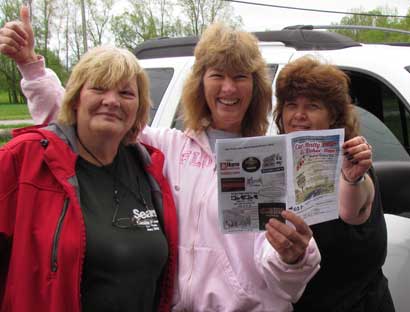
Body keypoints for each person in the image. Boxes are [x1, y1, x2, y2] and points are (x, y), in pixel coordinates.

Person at [0, 7, 320, 311]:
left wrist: (292, 258)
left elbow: (287, 283)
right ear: (199, 83)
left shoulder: (269, 160)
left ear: (256, 87)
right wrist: (32, 67)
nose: (228, 87)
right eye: (217, 74)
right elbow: (84, 121)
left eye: (240, 76)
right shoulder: (166, 148)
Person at [0, 45, 178, 311]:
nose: (112, 101)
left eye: (126, 93)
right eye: (99, 88)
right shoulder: (24, 159)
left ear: (139, 108)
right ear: (75, 98)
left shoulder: (151, 170)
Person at [274, 56, 395, 311]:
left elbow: (352, 211)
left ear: (333, 116)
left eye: (313, 106)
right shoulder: (272, 165)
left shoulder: (352, 162)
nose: (299, 115)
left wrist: (353, 178)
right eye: (291, 104)